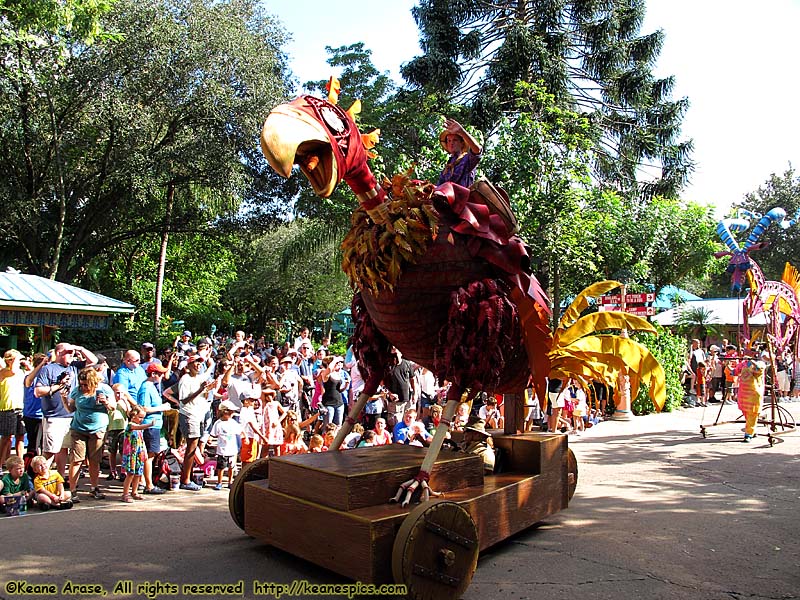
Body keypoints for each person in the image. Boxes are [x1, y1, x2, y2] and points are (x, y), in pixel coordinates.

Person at [34, 342, 98, 477]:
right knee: (50, 451)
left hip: (71, 415)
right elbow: (38, 391)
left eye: (72, 352)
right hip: (54, 416)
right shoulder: (48, 369)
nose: (72, 354)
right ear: (58, 353)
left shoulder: (74, 366)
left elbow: (94, 360)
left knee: (64, 450)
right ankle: (39, 481)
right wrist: (58, 386)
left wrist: (79, 347)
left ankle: (60, 478)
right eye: (68, 352)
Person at [64, 366, 114, 501]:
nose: (84, 387)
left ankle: (94, 487)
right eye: (81, 384)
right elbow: (70, 409)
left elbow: (112, 407)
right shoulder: (77, 391)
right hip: (78, 428)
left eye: (86, 384)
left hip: (98, 429)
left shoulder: (104, 389)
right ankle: (73, 490)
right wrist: (64, 398)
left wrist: (105, 402)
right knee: (76, 460)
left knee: (94, 460)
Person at [177, 357, 217, 491]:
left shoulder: (198, 378)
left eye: (200, 362)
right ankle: (186, 480)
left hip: (197, 416)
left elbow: (202, 395)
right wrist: (201, 390)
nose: (199, 364)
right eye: (196, 362)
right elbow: (183, 400)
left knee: (194, 447)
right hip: (189, 416)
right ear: (189, 365)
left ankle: (188, 476)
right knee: (191, 447)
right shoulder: (185, 379)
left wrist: (207, 389)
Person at [136, 363, 172, 495]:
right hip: (149, 425)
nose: (162, 376)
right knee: (149, 456)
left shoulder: (151, 386)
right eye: (160, 374)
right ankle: (148, 484)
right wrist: (162, 408)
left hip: (154, 425)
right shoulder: (146, 387)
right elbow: (144, 409)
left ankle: (142, 481)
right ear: (153, 374)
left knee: (150, 454)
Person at [437, 118, 482, 188]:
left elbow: (477, 150)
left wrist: (462, 131)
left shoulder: (467, 159)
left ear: (462, 144)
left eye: (454, 140)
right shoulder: (447, 166)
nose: (451, 143)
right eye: (449, 141)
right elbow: (439, 187)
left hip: (464, 197)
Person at [0, 349, 26, 467]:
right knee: (6, 438)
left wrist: (26, 363)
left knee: (20, 436)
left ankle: (20, 464)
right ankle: (0, 465)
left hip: (20, 407)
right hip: (7, 408)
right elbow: (13, 371)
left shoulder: (21, 372)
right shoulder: (3, 372)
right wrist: (15, 359)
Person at [208, 400, 243, 490]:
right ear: (225, 412)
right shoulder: (218, 423)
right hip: (222, 450)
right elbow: (213, 433)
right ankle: (219, 482)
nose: (233, 414)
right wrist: (210, 439)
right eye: (231, 412)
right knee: (221, 467)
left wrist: (245, 437)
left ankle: (230, 481)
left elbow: (239, 431)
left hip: (232, 450)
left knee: (232, 466)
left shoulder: (233, 423)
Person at [121, 405, 151, 502]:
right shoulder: (131, 425)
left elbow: (141, 440)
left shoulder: (139, 428)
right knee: (130, 473)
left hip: (139, 452)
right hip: (131, 454)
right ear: (134, 415)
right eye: (140, 417)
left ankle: (134, 492)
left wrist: (145, 452)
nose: (142, 419)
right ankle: (125, 494)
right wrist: (149, 425)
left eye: (143, 417)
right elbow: (138, 427)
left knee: (138, 473)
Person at [106, 384, 134, 481]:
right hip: (112, 428)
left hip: (123, 428)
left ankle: (123, 471)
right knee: (112, 451)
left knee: (123, 451)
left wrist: (125, 403)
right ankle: (112, 471)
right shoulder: (110, 402)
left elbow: (130, 414)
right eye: (117, 393)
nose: (119, 395)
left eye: (121, 393)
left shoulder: (124, 402)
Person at [737, 355, 766, 442]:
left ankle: (748, 434)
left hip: (754, 394)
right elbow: (735, 372)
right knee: (746, 414)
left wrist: (752, 362)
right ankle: (753, 430)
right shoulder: (744, 365)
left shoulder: (760, 364)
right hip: (743, 394)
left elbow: (758, 369)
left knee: (752, 414)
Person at [319, 355, 347, 427]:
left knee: (338, 426)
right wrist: (335, 359)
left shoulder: (337, 374)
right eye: (336, 363)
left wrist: (346, 385)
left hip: (339, 402)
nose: (337, 364)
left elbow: (338, 390)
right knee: (328, 426)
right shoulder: (325, 373)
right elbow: (329, 369)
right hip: (329, 403)